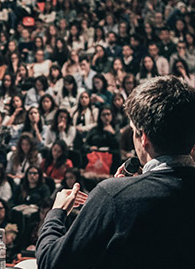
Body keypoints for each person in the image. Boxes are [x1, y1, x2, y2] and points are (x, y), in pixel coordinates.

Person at [35, 76, 195, 268]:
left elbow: (51, 263)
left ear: (143, 138)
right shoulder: (117, 195)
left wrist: (56, 213)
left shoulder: (112, 196)